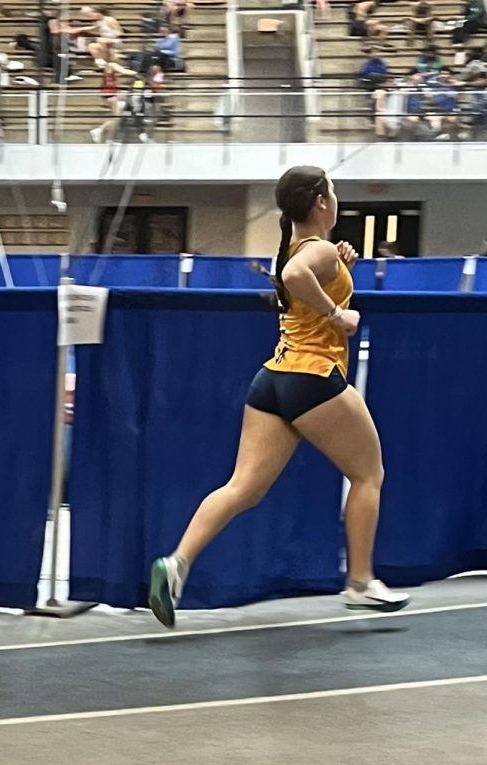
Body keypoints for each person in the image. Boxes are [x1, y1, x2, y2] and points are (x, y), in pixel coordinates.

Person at [147, 165, 410, 629]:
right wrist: (337, 315)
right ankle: (361, 583)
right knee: (369, 473)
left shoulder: (298, 247)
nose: (336, 200)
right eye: (333, 192)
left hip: (272, 381)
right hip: (313, 378)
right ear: (320, 204)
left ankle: (176, 565)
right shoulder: (311, 252)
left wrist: (340, 270)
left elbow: (298, 274)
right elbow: (295, 276)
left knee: (242, 488)